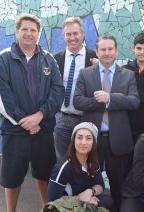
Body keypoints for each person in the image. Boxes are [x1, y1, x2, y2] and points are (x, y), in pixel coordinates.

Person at [0, 13, 64, 212]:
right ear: (18, 31)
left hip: (42, 128)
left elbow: (57, 91)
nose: (29, 34)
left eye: (33, 30)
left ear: (38, 33)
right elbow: (2, 98)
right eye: (25, 29)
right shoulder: (4, 58)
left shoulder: (48, 59)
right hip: (15, 130)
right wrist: (26, 122)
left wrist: (40, 116)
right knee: (12, 176)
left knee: (44, 173)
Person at [73, 35, 140, 211]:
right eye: (103, 49)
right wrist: (102, 102)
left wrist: (110, 99)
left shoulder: (128, 75)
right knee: (87, 181)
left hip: (117, 140)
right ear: (97, 51)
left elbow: (134, 102)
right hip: (92, 140)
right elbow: (78, 101)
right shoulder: (85, 73)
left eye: (110, 49)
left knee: (118, 183)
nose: (107, 53)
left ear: (116, 51)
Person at [54, 16, 97, 161]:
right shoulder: (55, 59)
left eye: (75, 33)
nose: (72, 38)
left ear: (83, 34)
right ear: (64, 36)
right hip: (62, 119)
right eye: (68, 34)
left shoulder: (95, 58)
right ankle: (64, 185)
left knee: (85, 160)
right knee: (62, 160)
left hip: (86, 118)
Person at [48, 122, 112, 209]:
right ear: (73, 140)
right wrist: (83, 200)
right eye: (79, 137)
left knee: (108, 202)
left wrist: (90, 192)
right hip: (65, 211)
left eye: (88, 138)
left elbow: (100, 185)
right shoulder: (62, 168)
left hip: (84, 202)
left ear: (94, 142)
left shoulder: (93, 161)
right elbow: (53, 200)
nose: (83, 142)